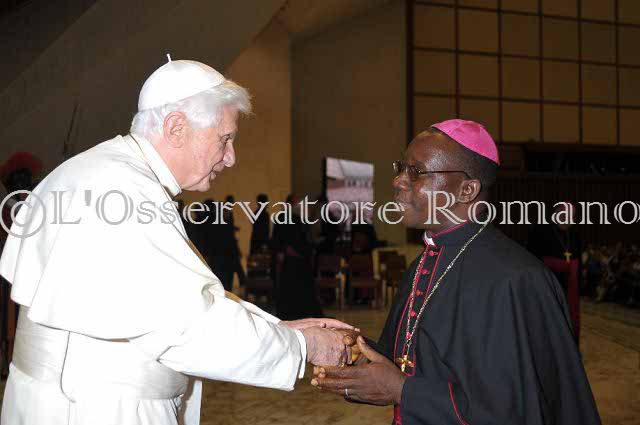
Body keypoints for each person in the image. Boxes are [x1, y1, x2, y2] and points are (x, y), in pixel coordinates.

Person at [0, 59, 358, 425]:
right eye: (225, 139)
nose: (231, 158)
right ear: (176, 128)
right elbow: (191, 327)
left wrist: (278, 330)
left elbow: (181, 300)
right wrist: (304, 347)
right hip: (98, 408)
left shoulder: (106, 172)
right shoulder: (122, 192)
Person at [313, 119, 601, 424]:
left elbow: (514, 410)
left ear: (467, 190)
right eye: (401, 168)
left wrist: (402, 391)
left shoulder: (516, 280)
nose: (398, 181)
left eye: (416, 171)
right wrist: (355, 351)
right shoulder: (423, 264)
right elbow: (410, 359)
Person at [528, 202, 583, 344]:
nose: (568, 219)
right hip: (548, 283)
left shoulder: (574, 236)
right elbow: (532, 258)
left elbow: (578, 261)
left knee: (567, 319)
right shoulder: (541, 231)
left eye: (571, 217)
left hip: (568, 285)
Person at [271, 194, 323, 320]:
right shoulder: (282, 217)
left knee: (304, 287)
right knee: (289, 288)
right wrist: (283, 251)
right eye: (297, 203)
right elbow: (277, 238)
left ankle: (303, 312)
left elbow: (304, 238)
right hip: (290, 261)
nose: (299, 206)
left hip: (300, 260)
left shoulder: (298, 219)